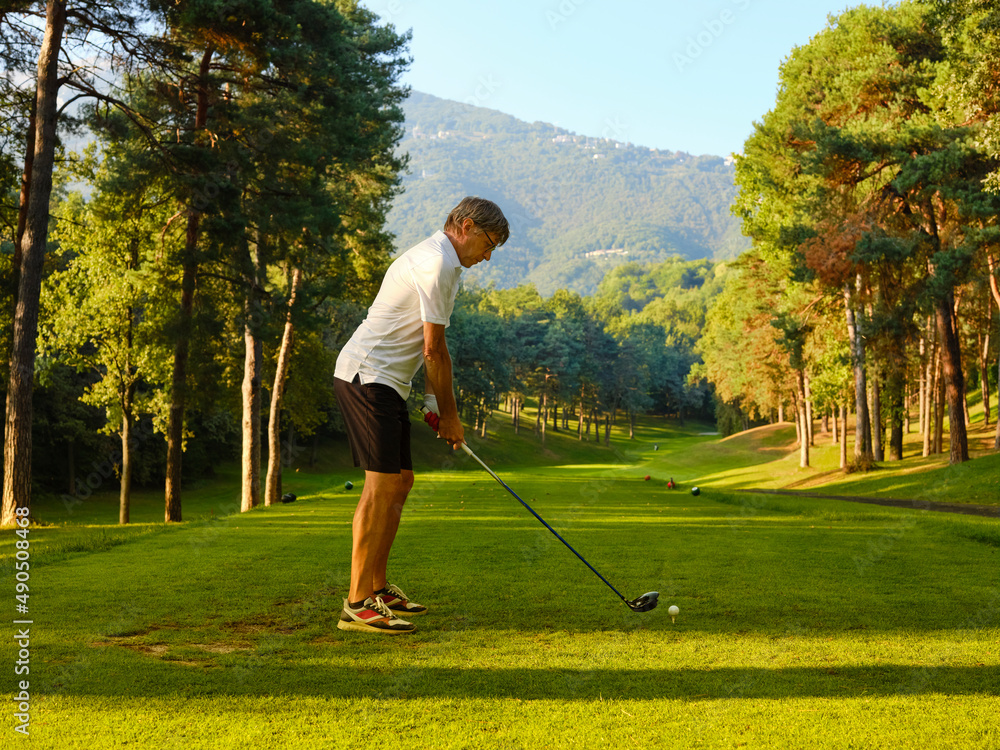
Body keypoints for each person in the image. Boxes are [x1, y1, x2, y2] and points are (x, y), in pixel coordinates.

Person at [332, 197, 510, 634]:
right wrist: (448, 415)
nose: (487, 256)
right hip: (366, 375)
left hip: (390, 383)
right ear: (465, 227)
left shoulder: (447, 267)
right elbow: (433, 350)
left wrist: (433, 403)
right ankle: (356, 603)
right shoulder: (435, 263)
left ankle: (376, 587)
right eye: (488, 244)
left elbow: (432, 346)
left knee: (401, 480)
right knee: (381, 486)